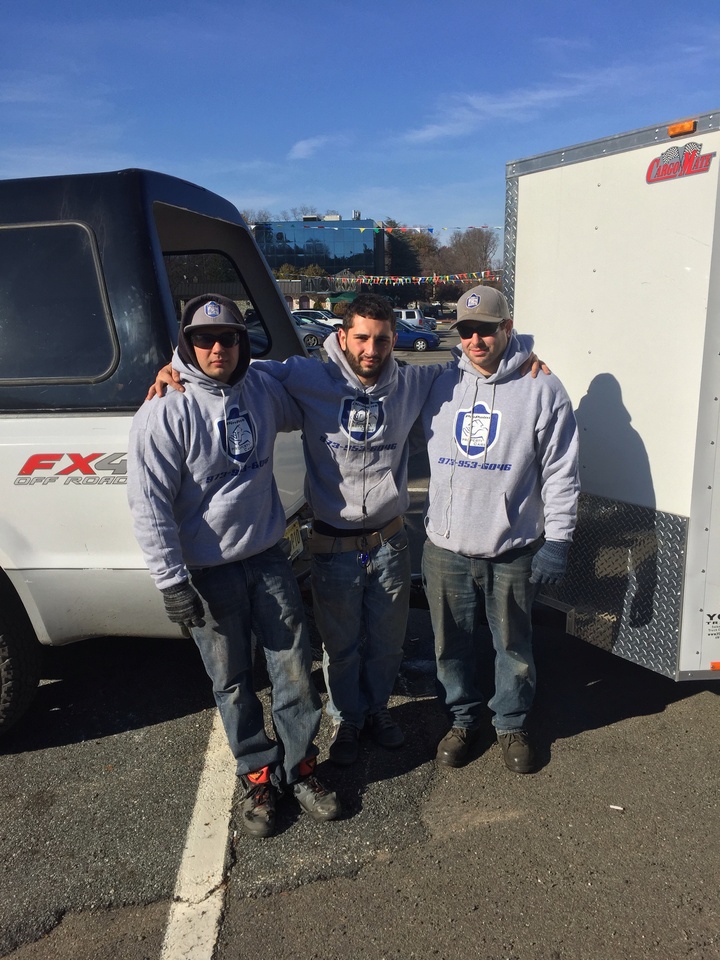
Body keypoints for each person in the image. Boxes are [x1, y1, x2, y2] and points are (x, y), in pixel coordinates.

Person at [148, 293, 545, 768]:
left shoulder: (415, 381)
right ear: (342, 337)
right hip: (333, 546)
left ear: (394, 339)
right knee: (340, 647)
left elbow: (480, 361)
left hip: (390, 542)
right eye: (360, 337)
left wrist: (523, 355)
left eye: (381, 339)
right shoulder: (305, 376)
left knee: (385, 645)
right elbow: (234, 374)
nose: (371, 349)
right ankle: (348, 719)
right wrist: (174, 369)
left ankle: (376, 711)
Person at [127, 293, 340, 838]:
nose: (216, 348)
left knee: (293, 667)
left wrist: (520, 351)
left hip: (268, 556)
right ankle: (259, 774)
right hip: (208, 570)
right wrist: (171, 580)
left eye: (228, 338)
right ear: (187, 342)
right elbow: (148, 502)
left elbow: (323, 372)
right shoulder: (164, 410)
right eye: (203, 339)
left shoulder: (263, 387)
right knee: (232, 681)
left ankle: (301, 767)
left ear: (243, 342)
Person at [420, 285, 579, 774]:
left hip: (512, 547)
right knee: (451, 645)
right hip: (446, 547)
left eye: (485, 330)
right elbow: (363, 371)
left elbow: (561, 471)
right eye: (466, 331)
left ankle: (511, 724)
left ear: (506, 329)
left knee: (513, 645)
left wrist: (559, 540)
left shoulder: (542, 388)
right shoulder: (438, 383)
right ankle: (464, 719)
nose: (475, 340)